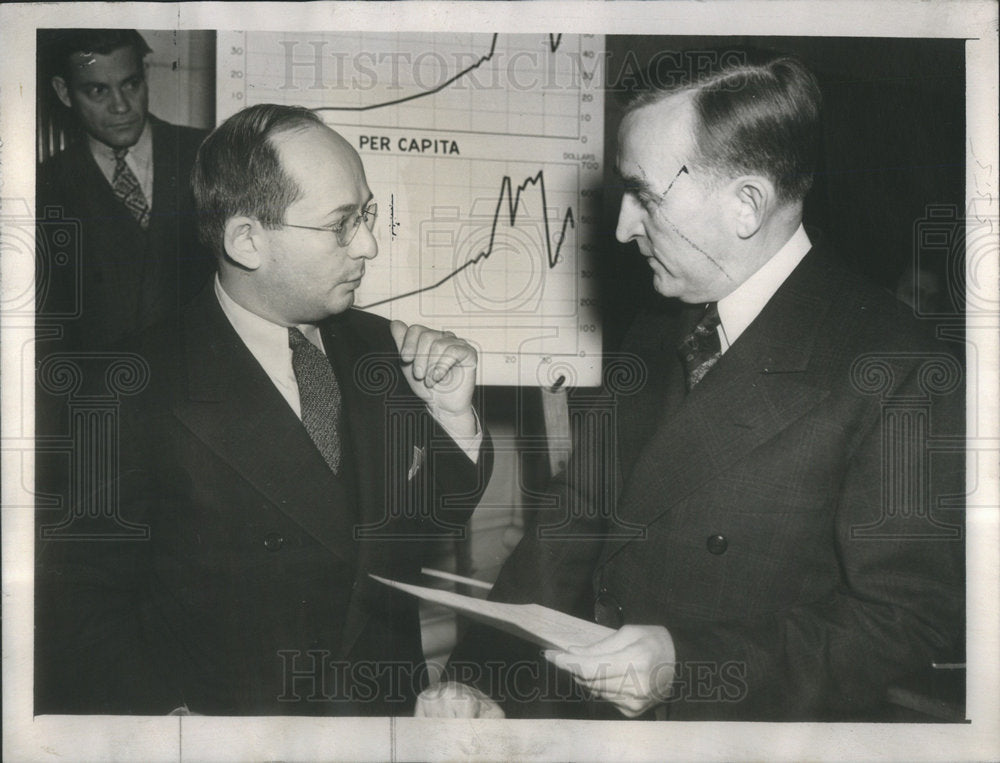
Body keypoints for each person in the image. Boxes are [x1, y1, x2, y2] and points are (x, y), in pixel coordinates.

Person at [424, 50, 965, 721]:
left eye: (645, 196)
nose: (622, 227)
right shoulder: (658, 327)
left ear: (747, 204)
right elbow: (565, 532)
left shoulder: (895, 363)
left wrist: (688, 666)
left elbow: (905, 621)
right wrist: (480, 683)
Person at [35, 104, 492, 716]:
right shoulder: (127, 387)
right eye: (341, 225)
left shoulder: (383, 348)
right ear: (247, 240)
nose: (370, 244)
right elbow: (80, 605)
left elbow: (412, 530)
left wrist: (452, 419)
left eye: (368, 215)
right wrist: (163, 726)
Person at [36, 29, 213, 351]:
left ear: (145, 75)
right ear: (64, 93)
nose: (121, 107)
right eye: (97, 91)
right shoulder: (44, 186)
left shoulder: (208, 153)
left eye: (131, 84)